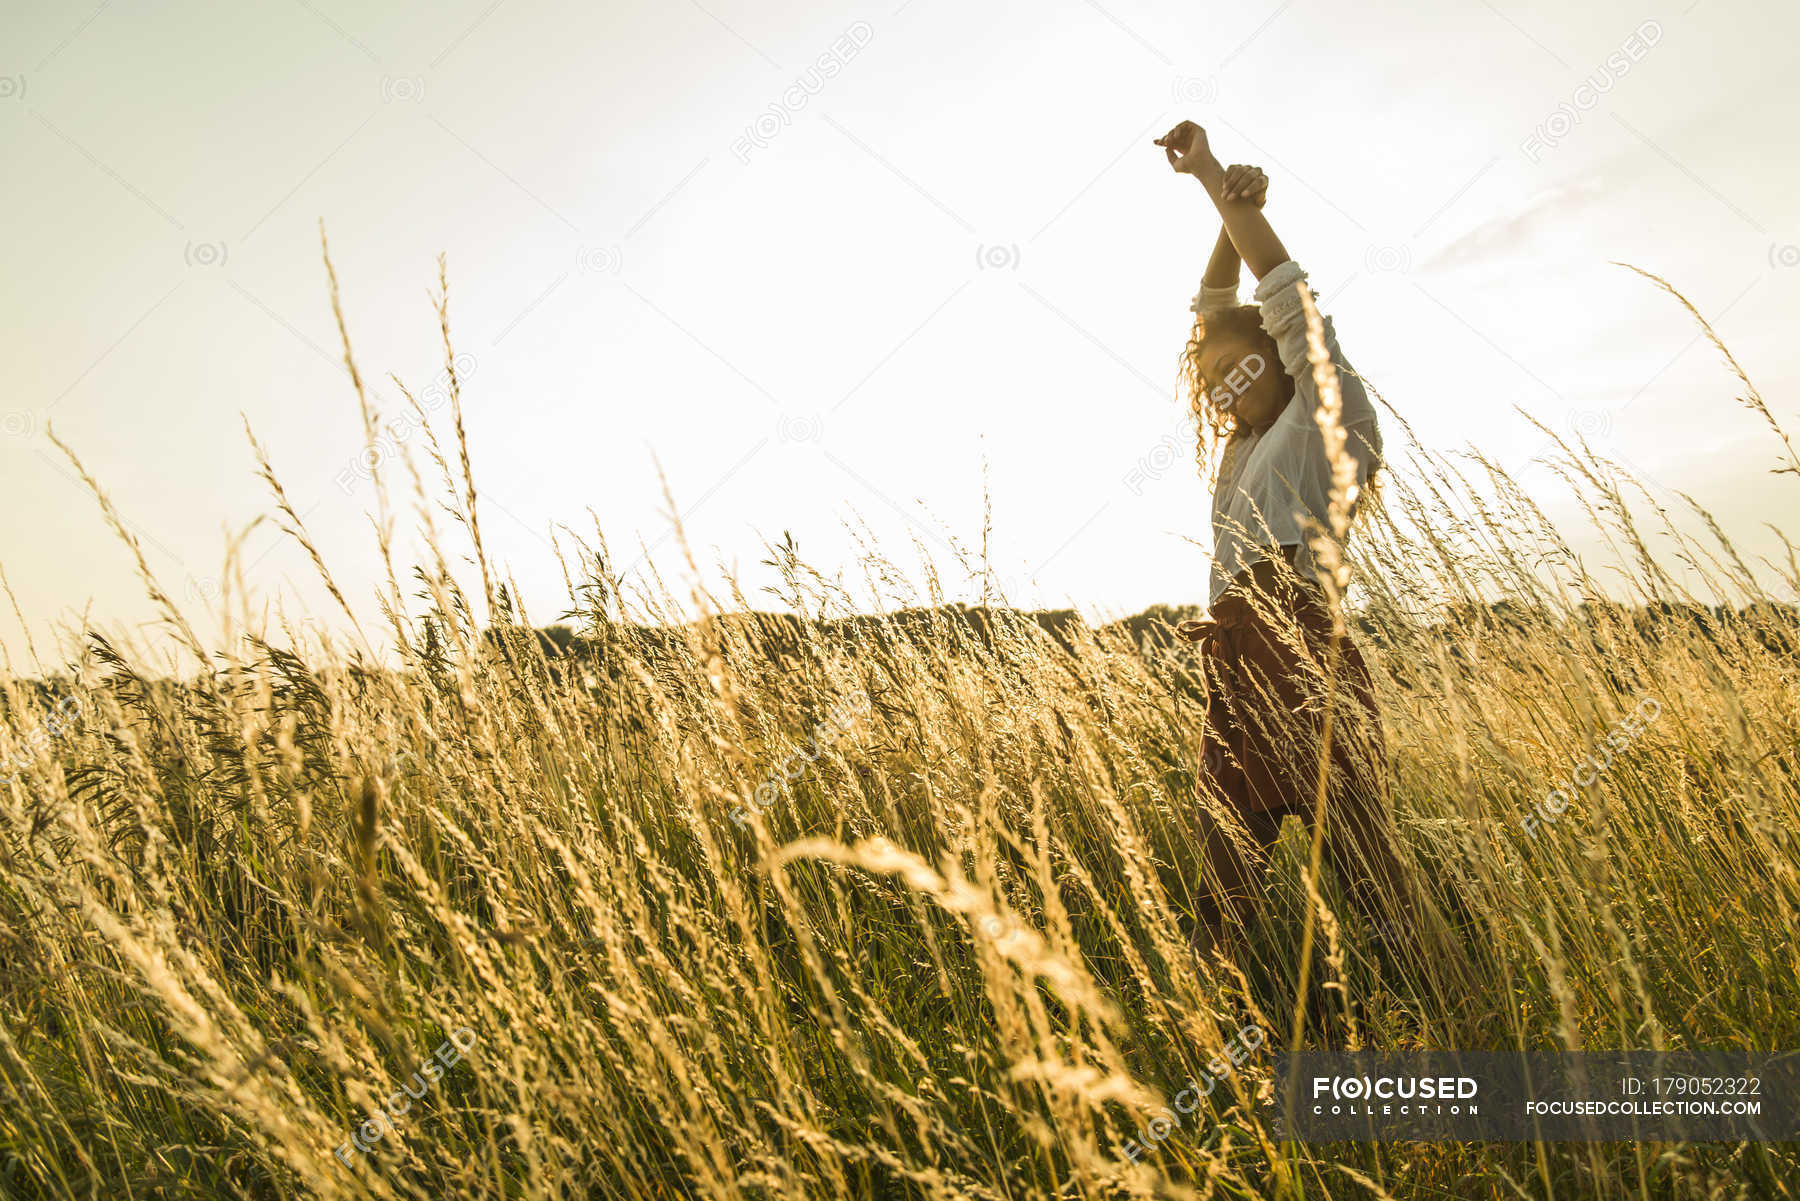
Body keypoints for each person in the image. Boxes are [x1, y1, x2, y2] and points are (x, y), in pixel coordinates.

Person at [1153, 119, 1420, 958]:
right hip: (1234, 661)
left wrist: (1212, 181)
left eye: (1245, 367)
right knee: (1225, 850)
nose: (1229, 386)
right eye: (1216, 383)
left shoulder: (1321, 419)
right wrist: (1219, 214)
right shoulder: (1238, 451)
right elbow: (1213, 314)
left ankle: (1418, 985)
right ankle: (1211, 1004)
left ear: (1279, 358)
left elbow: (1287, 302)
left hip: (1303, 654)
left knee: (1361, 850)